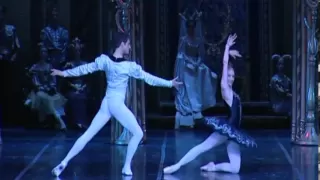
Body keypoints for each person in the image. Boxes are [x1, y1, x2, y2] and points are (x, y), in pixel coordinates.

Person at [50, 32, 183, 177]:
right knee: (138, 133)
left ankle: (64, 162)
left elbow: (86, 68)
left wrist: (64, 74)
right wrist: (169, 83)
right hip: (115, 104)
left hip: (107, 103)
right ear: (122, 44)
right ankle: (126, 167)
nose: (130, 47)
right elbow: (148, 78)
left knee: (88, 135)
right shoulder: (128, 66)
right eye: (129, 44)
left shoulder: (106, 61)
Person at [163, 34, 256, 174]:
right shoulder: (225, 90)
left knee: (235, 169)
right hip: (227, 130)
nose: (230, 78)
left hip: (234, 133)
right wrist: (227, 48)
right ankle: (177, 165)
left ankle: (213, 166)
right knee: (202, 147)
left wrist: (230, 54)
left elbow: (228, 64)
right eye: (228, 76)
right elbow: (225, 65)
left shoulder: (234, 92)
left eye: (232, 76)